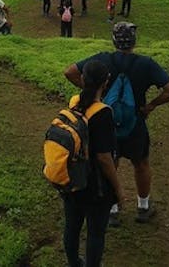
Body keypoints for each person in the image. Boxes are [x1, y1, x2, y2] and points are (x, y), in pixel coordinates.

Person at [65, 22, 169, 226]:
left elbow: (70, 72)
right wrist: (151, 105)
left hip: (105, 122)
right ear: (134, 42)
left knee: (109, 162)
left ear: (114, 40)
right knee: (141, 163)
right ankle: (143, 207)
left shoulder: (102, 59)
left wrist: (93, 93)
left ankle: (113, 210)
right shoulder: (146, 64)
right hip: (136, 123)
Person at [60, 60, 126, 267]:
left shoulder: (74, 102)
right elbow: (105, 158)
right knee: (96, 232)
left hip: (72, 176)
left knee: (72, 226)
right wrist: (118, 189)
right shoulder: (103, 113)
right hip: (95, 185)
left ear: (82, 79)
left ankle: (73, 263)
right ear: (106, 82)